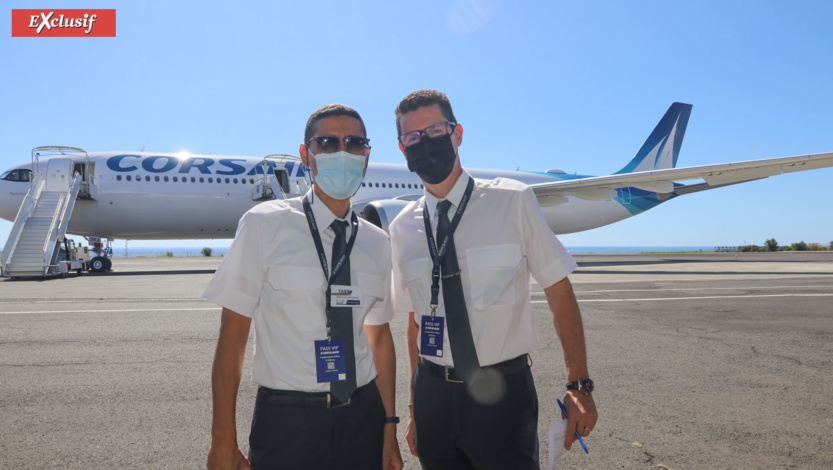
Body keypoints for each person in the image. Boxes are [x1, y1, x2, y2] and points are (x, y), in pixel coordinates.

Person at [389, 89, 598, 469]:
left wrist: (578, 384)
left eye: (435, 129)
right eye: (413, 137)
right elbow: (415, 321)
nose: (425, 142)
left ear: (458, 133)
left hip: (502, 393)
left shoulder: (512, 201)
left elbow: (558, 289)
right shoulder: (403, 227)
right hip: (433, 393)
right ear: (403, 149)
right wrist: (415, 405)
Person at [205, 104, 403, 470]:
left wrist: (389, 427)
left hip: (364, 416)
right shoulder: (264, 225)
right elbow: (232, 336)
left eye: (354, 143)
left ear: (366, 155)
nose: (342, 152)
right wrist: (222, 440)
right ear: (305, 154)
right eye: (327, 143)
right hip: (287, 421)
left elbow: (380, 338)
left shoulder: (376, 242)